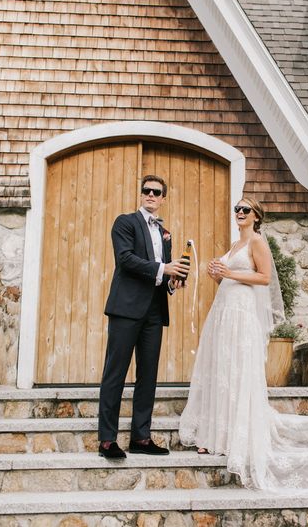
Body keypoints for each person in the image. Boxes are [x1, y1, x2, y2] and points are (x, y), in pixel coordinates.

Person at [179, 197, 308, 491]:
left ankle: (235, 439)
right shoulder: (235, 245)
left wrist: (229, 273)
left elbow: (263, 278)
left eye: (245, 210)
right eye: (237, 209)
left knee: (238, 374)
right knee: (222, 374)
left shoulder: (258, 242)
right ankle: (213, 437)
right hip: (224, 313)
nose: (239, 213)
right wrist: (217, 275)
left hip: (242, 316)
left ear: (256, 216)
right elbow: (233, 279)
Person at [98, 174, 189, 459]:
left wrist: (174, 281)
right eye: (146, 191)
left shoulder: (166, 233)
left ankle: (141, 437)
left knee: (147, 375)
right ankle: (107, 440)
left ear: (163, 198)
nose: (151, 195)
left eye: (156, 192)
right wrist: (165, 269)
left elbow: (164, 274)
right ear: (141, 195)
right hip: (126, 308)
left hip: (154, 311)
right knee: (115, 372)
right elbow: (125, 259)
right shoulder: (125, 222)